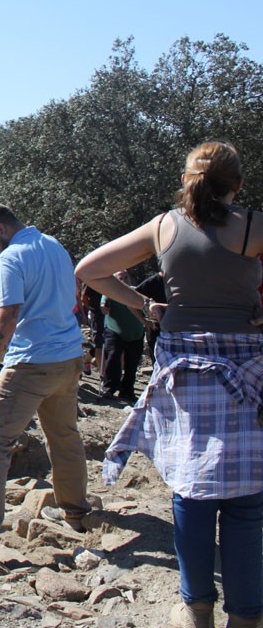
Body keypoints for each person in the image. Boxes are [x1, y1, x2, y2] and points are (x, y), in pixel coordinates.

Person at [76, 141, 263, 628]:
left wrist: (143, 303)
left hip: (185, 374)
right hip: (247, 372)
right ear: (238, 185)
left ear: (186, 181)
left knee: (191, 492)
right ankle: (247, 617)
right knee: (247, 503)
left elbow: (89, 270)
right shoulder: (253, 226)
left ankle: (197, 609)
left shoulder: (164, 226)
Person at [0, 200, 87, 553]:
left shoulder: (11, 258)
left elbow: (6, 317)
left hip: (31, 362)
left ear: (0, 228)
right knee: (65, 435)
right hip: (69, 357)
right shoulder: (54, 245)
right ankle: (75, 511)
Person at [99, 270, 146, 402]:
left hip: (136, 333)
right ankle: (109, 388)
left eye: (126, 277)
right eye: (121, 279)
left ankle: (127, 391)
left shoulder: (137, 291)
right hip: (114, 331)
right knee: (113, 357)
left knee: (132, 363)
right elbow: (104, 304)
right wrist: (104, 308)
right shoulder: (110, 292)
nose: (124, 280)